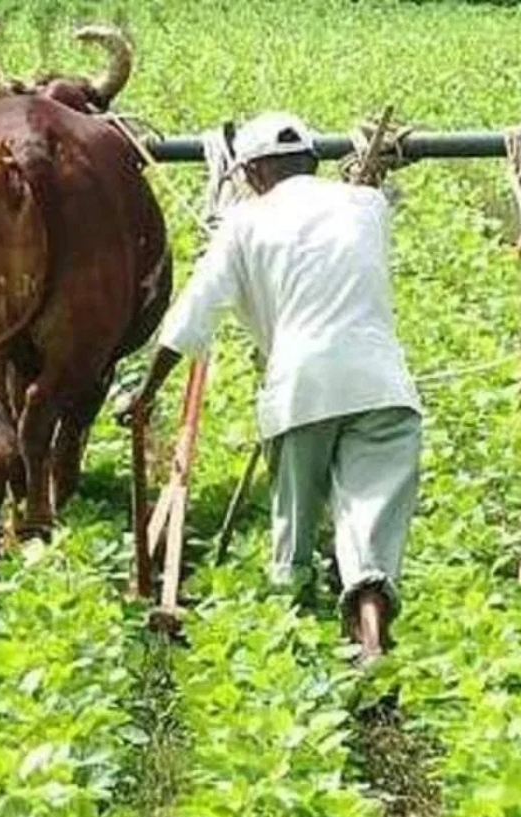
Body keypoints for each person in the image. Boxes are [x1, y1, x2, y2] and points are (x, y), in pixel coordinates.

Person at [116, 112, 423, 661]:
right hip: (383, 386)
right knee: (369, 524)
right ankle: (372, 637)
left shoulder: (244, 222)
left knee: (295, 526)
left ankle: (291, 652)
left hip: (300, 388)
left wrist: (147, 390)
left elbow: (193, 314)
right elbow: (368, 189)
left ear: (253, 172)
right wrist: (368, 170)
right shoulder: (367, 206)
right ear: (311, 161)